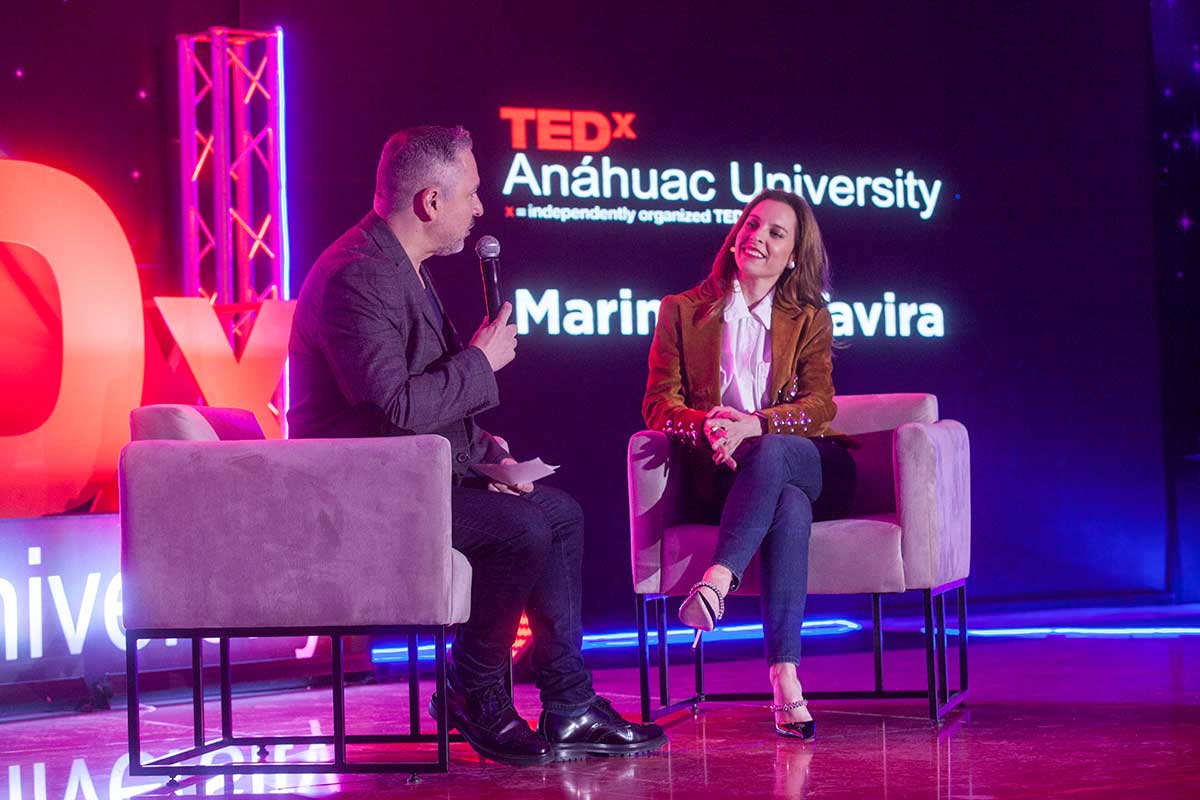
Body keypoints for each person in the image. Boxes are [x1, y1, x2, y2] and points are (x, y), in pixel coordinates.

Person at [288, 125, 665, 765]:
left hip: (410, 478)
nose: (480, 209)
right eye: (471, 194)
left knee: (559, 514)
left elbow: (410, 396)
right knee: (518, 529)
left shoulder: (400, 265)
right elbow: (396, 410)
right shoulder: (357, 276)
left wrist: (483, 449)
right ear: (431, 202)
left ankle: (569, 703)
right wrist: (479, 363)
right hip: (358, 495)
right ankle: (474, 691)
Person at [641, 189, 855, 742]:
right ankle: (785, 676)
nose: (756, 236)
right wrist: (709, 424)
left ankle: (718, 579)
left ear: (793, 256)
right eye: (752, 224)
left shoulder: (809, 317)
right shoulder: (683, 311)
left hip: (809, 460)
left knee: (775, 453)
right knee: (786, 504)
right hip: (729, 475)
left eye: (775, 233)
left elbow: (819, 406)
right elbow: (658, 403)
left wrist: (753, 424)